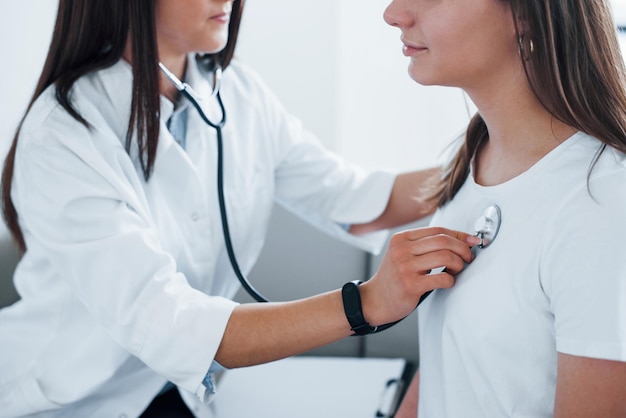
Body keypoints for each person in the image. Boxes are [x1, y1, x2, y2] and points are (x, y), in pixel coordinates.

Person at [0, 0, 481, 417]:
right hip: (71, 401)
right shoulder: (63, 137)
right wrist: (368, 302)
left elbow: (354, 198)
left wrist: (487, 157)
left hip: (174, 393)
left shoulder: (235, 93)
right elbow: (172, 323)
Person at [383, 0, 626, 416]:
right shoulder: (475, 158)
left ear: (527, 14)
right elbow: (449, 365)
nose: (393, 13)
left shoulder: (603, 205)